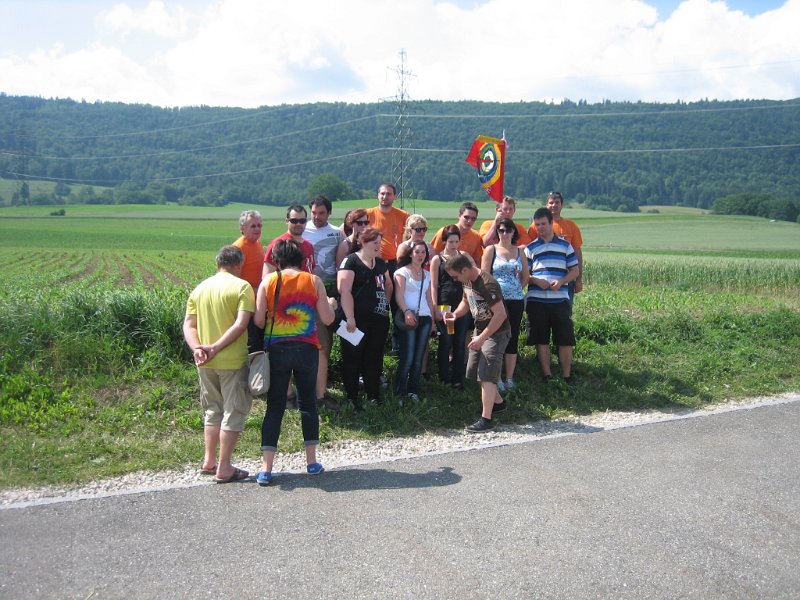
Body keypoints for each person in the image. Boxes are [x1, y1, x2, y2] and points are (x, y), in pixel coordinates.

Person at [253, 239, 337, 486]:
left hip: (277, 349)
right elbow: (327, 318)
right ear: (301, 259)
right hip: (306, 348)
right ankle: (311, 462)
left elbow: (258, 321)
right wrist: (331, 305)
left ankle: (266, 468)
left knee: (275, 405)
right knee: (308, 403)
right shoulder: (313, 281)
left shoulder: (269, 281)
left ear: (277, 261)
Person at [182, 245, 254, 483]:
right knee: (233, 412)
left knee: (213, 410)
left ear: (218, 263)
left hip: (204, 361)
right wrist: (216, 347)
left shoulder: (200, 288)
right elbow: (241, 324)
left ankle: (209, 461)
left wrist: (198, 348)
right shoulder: (242, 287)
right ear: (239, 264)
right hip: (232, 360)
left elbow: (189, 325)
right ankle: (224, 468)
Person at [444, 253, 510, 433]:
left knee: (486, 375)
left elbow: (500, 315)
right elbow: (466, 301)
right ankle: (498, 404)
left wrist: (482, 338)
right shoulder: (467, 281)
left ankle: (486, 419)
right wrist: (455, 314)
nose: (455, 280)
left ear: (464, 270)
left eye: (455, 276)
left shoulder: (487, 284)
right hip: (480, 330)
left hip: (496, 333)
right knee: (475, 371)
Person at [337, 227, 393, 408]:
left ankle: (373, 395)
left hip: (379, 320)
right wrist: (350, 317)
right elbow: (344, 291)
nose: (378, 246)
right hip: (355, 321)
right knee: (352, 358)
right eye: (374, 243)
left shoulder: (380, 263)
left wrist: (385, 303)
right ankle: (352, 397)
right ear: (363, 242)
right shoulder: (351, 261)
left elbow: (389, 284)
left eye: (379, 243)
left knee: (374, 357)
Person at [524, 207, 580, 384]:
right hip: (537, 300)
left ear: (551, 223)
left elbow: (575, 270)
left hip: (560, 299)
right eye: (537, 224)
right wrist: (535, 280)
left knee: (565, 338)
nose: (540, 227)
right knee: (541, 338)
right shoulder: (530, 248)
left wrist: (562, 281)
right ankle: (547, 375)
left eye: (543, 224)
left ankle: (566, 375)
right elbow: (524, 275)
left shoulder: (565, 246)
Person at [302, 195, 343, 412]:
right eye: (314, 213)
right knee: (310, 341)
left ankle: (322, 385)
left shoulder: (336, 233)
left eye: (322, 213)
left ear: (329, 213)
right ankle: (312, 388)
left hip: (330, 290)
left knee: (327, 339)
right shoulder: (302, 230)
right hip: (306, 291)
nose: (317, 217)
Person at [481, 218, 529, 391]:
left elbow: (525, 276)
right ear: (497, 232)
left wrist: (516, 289)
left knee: (512, 337)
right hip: (496, 302)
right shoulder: (491, 250)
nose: (505, 233)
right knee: (496, 337)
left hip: (516, 301)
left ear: (514, 232)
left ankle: (509, 378)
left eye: (508, 230)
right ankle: (496, 377)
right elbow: (484, 277)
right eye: (501, 230)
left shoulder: (520, 251)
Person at [429, 225, 471, 390]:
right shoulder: (437, 259)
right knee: (446, 341)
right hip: (445, 306)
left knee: (460, 341)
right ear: (444, 241)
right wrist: (435, 308)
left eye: (456, 241)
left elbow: (474, 275)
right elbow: (434, 285)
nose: (453, 245)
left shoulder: (464, 256)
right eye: (450, 241)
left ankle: (458, 378)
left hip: (462, 305)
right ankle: (444, 377)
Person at [392, 240, 435, 402]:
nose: (420, 255)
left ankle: (413, 391)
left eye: (423, 252)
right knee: (408, 357)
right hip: (409, 317)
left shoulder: (427, 274)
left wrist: (433, 320)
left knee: (418, 358)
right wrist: (406, 311)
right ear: (410, 254)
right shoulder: (402, 272)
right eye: (417, 252)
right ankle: (399, 392)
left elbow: (429, 299)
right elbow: (398, 295)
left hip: (425, 317)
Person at [527, 191, 584, 305]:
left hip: (565, 279)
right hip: (540, 282)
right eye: (551, 202)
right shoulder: (535, 226)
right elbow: (528, 251)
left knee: (565, 311)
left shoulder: (571, 225)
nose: (554, 205)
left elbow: (577, 253)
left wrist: (578, 280)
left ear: (562, 204)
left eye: (557, 202)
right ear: (546, 205)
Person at [232, 210, 265, 353]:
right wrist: (255, 290)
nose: (257, 229)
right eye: (253, 226)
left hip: (258, 302)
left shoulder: (257, 243)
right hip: (246, 304)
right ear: (242, 228)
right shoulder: (238, 248)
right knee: (250, 344)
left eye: (259, 225)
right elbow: (233, 280)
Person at [365, 183, 410, 274]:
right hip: (372, 261)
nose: (385, 197)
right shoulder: (367, 214)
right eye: (382, 193)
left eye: (389, 194)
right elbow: (348, 226)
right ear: (378, 195)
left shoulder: (404, 216)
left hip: (395, 263)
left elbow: (416, 230)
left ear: (395, 197)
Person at [263, 205, 316, 276]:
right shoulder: (278, 244)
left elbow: (311, 271)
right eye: (294, 221)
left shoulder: (309, 246)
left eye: (302, 221)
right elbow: (266, 276)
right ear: (287, 221)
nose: (298, 224)